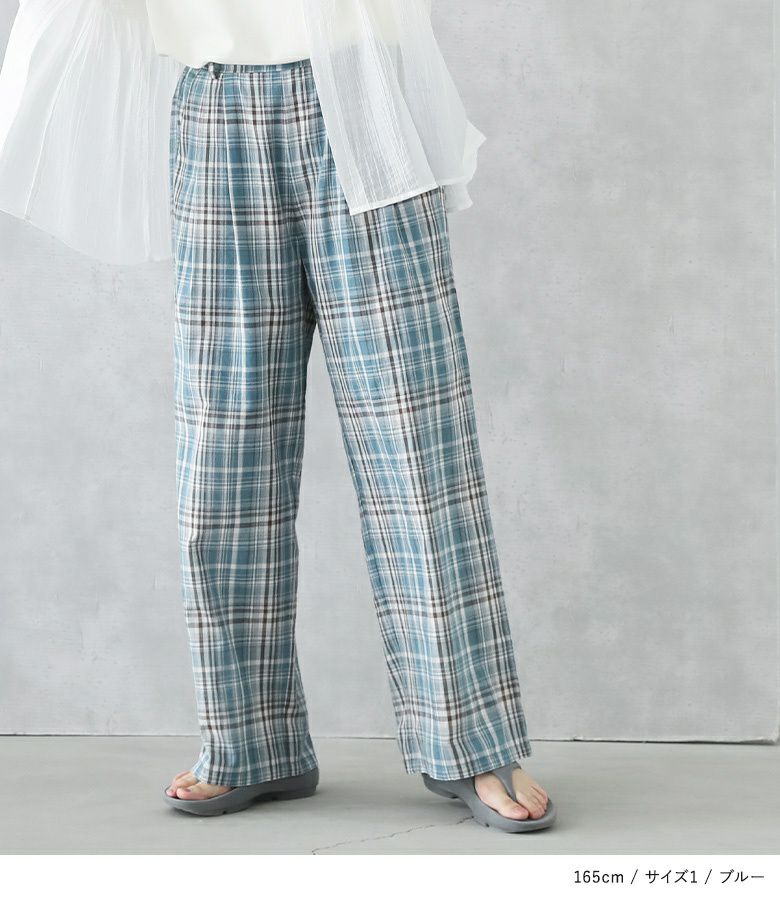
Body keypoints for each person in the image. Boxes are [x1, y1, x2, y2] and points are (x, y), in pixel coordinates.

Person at [0, 0, 555, 833]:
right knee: (222, 447)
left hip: (360, 86)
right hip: (216, 105)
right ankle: (249, 739)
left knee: (416, 437)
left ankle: (472, 738)